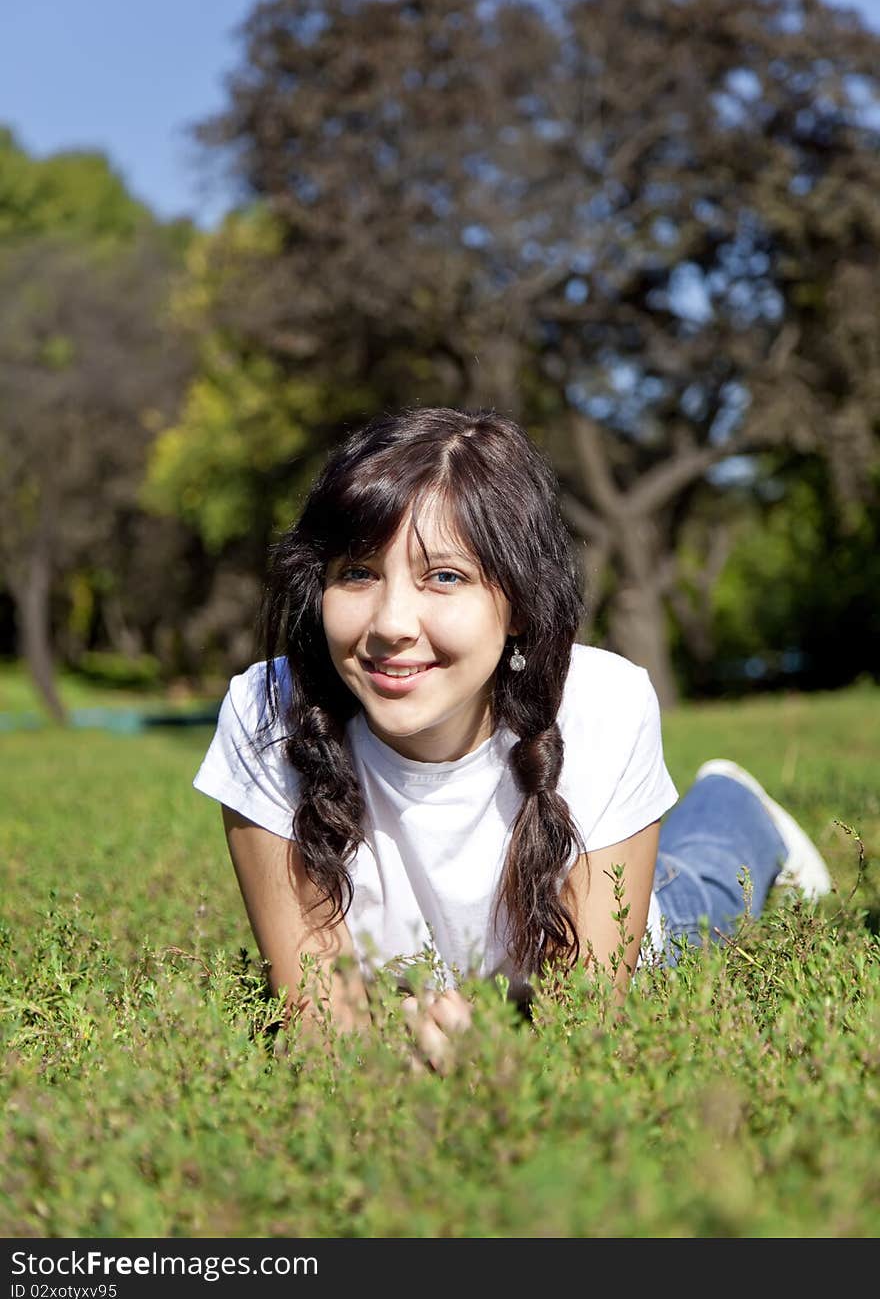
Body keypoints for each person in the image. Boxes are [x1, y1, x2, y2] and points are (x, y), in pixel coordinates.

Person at [193, 406, 832, 1069]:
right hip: (449, 988)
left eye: (444, 576)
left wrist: (492, 1051)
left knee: (698, 891)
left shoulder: (601, 703)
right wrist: (392, 1051)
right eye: (358, 572)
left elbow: (583, 1022)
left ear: (520, 604)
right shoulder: (267, 712)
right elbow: (316, 1023)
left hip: (609, 936)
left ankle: (740, 802)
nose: (390, 624)